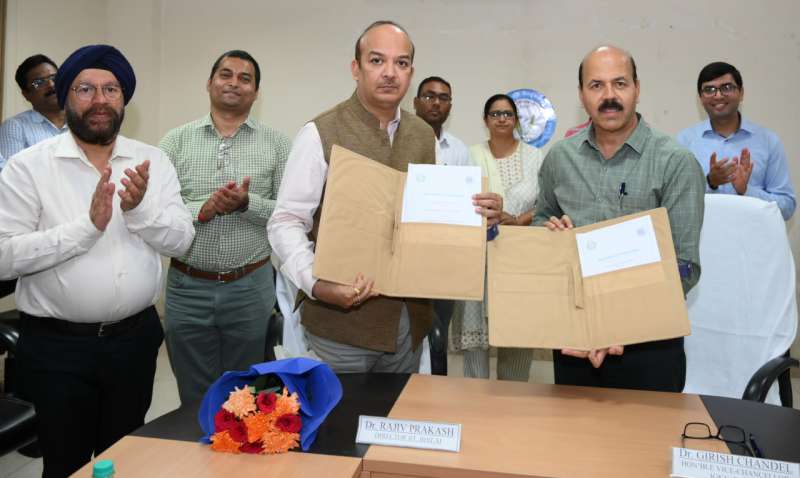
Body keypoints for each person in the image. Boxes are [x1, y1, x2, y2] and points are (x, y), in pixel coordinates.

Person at [0, 44, 195, 477]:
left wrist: (139, 212)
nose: (100, 99)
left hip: (134, 342)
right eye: (85, 89)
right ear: (66, 96)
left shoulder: (153, 161)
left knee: (123, 461)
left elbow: (182, 241)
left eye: (111, 89)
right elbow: (3, 257)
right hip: (57, 349)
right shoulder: (27, 167)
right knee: (64, 463)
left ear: (124, 100)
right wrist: (85, 229)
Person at [267, 20, 503, 373]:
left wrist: (479, 216)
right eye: (377, 60)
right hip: (340, 328)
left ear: (410, 73)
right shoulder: (320, 132)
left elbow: (431, 221)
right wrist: (317, 284)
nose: (390, 72)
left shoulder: (423, 135)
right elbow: (286, 221)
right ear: (356, 68)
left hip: (408, 328)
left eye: (401, 63)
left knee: (401, 410)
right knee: (343, 411)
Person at [534, 45, 705, 392]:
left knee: (649, 430)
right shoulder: (559, 158)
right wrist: (549, 230)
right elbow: (542, 218)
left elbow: (684, 266)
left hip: (649, 346)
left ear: (637, 89)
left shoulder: (675, 162)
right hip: (574, 340)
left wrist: (619, 324)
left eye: (620, 83)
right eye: (596, 85)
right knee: (573, 428)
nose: (609, 96)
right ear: (581, 94)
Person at [159, 50, 290, 404]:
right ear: (209, 83)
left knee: (246, 396)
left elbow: (289, 214)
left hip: (250, 286)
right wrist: (201, 209)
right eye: (226, 74)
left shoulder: (278, 144)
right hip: (187, 287)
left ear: (256, 92)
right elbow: (158, 210)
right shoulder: (175, 141)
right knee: (194, 395)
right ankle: (196, 439)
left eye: (245, 78)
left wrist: (247, 203)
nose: (234, 83)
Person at [451, 93, 544, 381]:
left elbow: (547, 205)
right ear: (485, 120)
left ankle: (513, 403)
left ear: (516, 120)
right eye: (495, 114)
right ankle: (476, 404)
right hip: (478, 260)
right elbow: (458, 201)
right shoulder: (471, 155)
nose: (502, 119)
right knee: (476, 348)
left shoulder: (536, 156)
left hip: (521, 261)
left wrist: (516, 220)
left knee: (517, 339)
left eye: (507, 114)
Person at [677, 61, 796, 220]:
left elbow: (787, 208)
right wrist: (710, 183)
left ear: (741, 93)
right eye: (709, 89)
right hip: (705, 236)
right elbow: (676, 203)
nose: (718, 95)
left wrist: (746, 191)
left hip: (754, 235)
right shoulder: (684, 142)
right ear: (700, 97)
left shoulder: (768, 141)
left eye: (726, 87)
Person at [0, 54, 67, 165]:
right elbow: (12, 173)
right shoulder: (16, 127)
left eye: (54, 78)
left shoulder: (81, 121)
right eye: (39, 82)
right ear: (26, 94)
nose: (51, 85)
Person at [413, 76, 470, 166]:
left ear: (450, 107)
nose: (437, 103)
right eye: (429, 97)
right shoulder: (398, 140)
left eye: (443, 98)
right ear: (416, 103)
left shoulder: (459, 150)